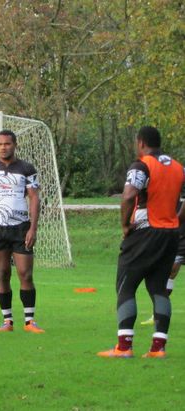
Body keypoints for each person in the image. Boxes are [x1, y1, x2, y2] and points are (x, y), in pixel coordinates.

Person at [98, 126, 184, 358]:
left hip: (145, 232)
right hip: (170, 234)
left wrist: (125, 225)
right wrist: (177, 219)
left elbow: (128, 195)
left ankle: (124, 347)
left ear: (141, 142)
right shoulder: (178, 167)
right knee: (159, 288)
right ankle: (158, 348)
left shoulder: (142, 164)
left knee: (126, 286)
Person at [0, 130, 43, 333]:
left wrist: (33, 227)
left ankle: (30, 321)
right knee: (2, 273)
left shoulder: (26, 168)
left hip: (21, 228)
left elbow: (34, 198)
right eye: (0, 144)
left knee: (25, 273)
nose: (3, 147)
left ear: (15, 145)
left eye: (7, 143)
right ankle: (7, 322)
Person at [141, 187, 184, 325]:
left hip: (179, 232)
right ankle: (157, 314)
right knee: (170, 271)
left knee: (170, 271)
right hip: (178, 235)